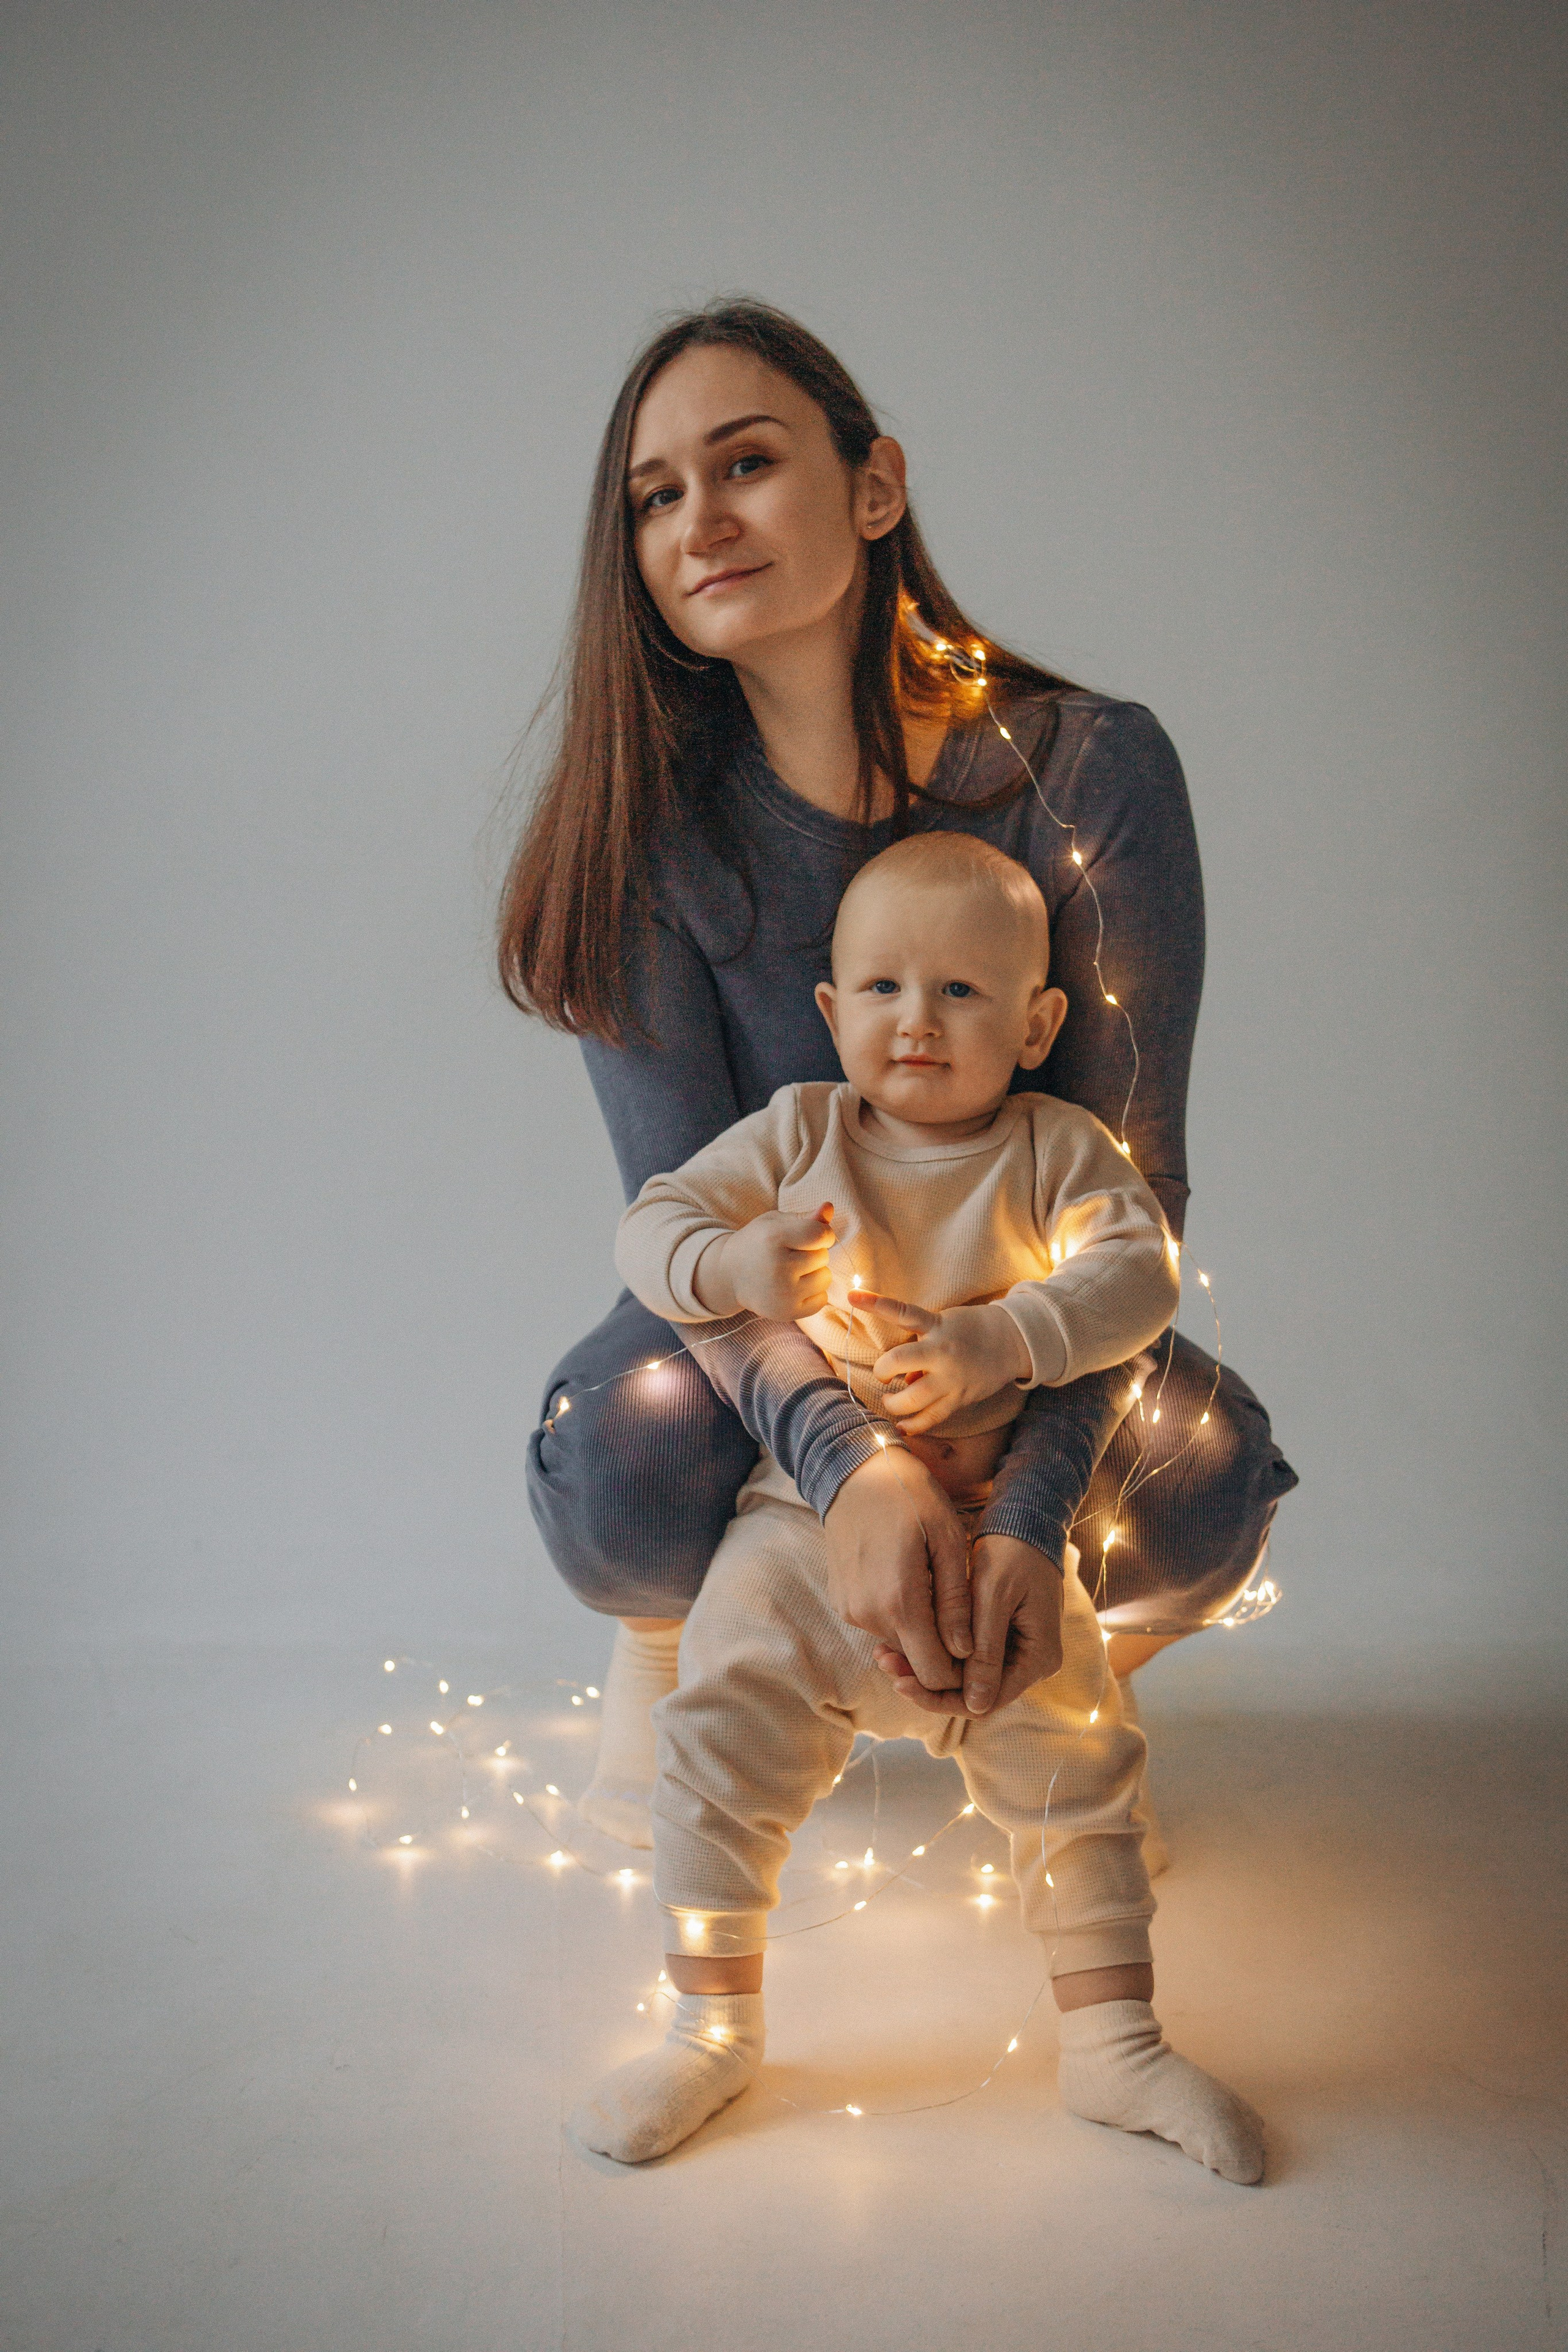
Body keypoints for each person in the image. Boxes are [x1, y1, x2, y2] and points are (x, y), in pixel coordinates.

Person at [498, 295, 1295, 1852]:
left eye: (743, 465)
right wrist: (851, 1467)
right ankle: (686, 1630)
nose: (698, 521)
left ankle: (1014, 1662)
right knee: (618, 1462)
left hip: (1016, 1328)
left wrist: (1021, 1505)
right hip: (768, 1332)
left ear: (873, 490)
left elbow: (1134, 1214)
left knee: (1205, 1486)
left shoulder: (1085, 774)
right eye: (655, 496)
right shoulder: (642, 835)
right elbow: (686, 1244)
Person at [568, 833, 1264, 2180]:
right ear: (829, 1014)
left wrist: (1001, 1343)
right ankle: (708, 2027)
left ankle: (1114, 2044)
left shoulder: (1055, 1149)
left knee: (1072, 1753)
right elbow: (645, 1230)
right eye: (881, 989)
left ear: (1036, 1022)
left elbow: (1140, 1281)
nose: (917, 1022)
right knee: (715, 1726)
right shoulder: (797, 1137)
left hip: (1005, 1510)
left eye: (960, 993)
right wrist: (733, 1253)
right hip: (800, 1513)